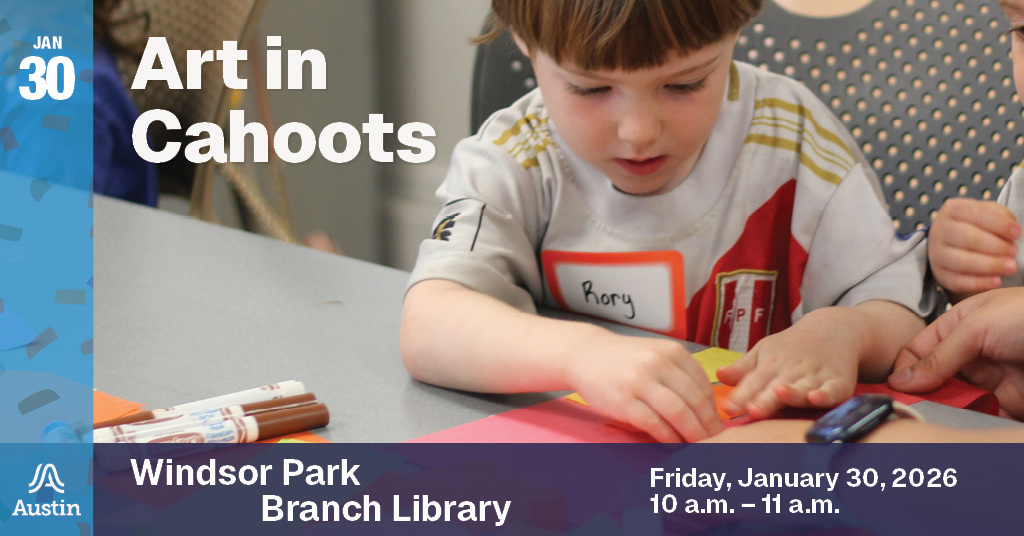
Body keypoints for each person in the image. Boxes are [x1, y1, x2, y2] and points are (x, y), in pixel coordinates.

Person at [401, 0, 934, 443]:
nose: (638, 131)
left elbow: (904, 309)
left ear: (738, 27)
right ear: (523, 41)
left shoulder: (794, 136)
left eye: (684, 85)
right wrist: (583, 356)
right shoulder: (516, 155)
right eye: (590, 89)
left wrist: (846, 331)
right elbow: (429, 324)